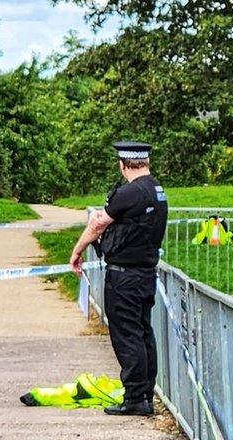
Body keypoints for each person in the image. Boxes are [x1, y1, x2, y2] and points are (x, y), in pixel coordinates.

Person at [69, 141, 169, 416]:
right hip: (145, 273)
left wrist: (77, 251)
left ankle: (135, 398)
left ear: (123, 165)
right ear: (146, 162)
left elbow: (99, 223)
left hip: (124, 277)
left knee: (127, 336)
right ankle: (145, 394)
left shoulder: (129, 192)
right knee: (143, 333)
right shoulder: (156, 190)